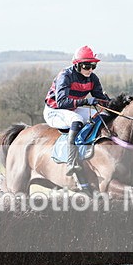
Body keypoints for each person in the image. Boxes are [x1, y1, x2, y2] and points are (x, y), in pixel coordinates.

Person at [44, 45, 110, 176]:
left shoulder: (93, 78)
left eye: (93, 66)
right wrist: (86, 101)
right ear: (77, 65)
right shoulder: (65, 76)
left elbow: (101, 98)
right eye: (86, 66)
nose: (90, 70)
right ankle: (71, 161)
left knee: (103, 116)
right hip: (54, 110)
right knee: (77, 120)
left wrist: (116, 103)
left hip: (72, 109)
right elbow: (62, 102)